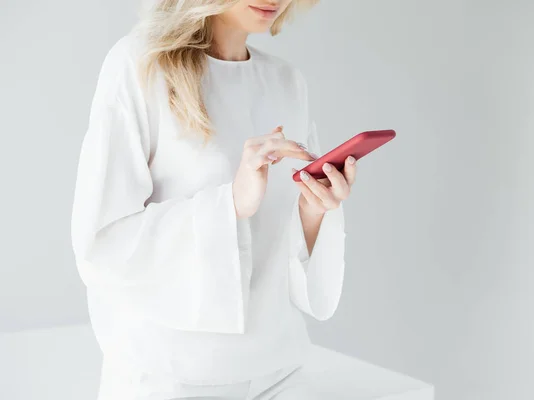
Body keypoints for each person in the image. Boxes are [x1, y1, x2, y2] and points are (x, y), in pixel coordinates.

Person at [70, 0, 357, 399]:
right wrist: (231, 203)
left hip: (280, 372)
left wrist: (314, 211)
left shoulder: (287, 82)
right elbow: (102, 241)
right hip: (168, 377)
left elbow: (284, 252)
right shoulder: (141, 65)